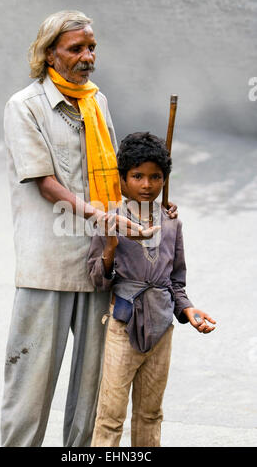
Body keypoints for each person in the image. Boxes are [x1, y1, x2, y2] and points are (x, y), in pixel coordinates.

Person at [1, 10, 178, 448]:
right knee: (31, 386)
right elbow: (45, 183)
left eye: (91, 47)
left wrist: (152, 202)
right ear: (49, 54)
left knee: (92, 390)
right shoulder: (26, 106)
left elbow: (120, 177)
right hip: (49, 267)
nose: (87, 57)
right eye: (75, 48)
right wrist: (102, 217)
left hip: (104, 261)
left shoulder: (96, 101)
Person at [88, 132, 216, 447]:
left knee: (150, 414)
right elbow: (96, 279)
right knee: (110, 415)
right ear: (122, 179)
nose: (146, 185)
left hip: (161, 328)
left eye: (155, 177)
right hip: (123, 324)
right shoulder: (110, 220)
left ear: (164, 179)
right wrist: (110, 247)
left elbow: (175, 280)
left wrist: (189, 310)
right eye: (137, 176)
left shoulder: (171, 223)